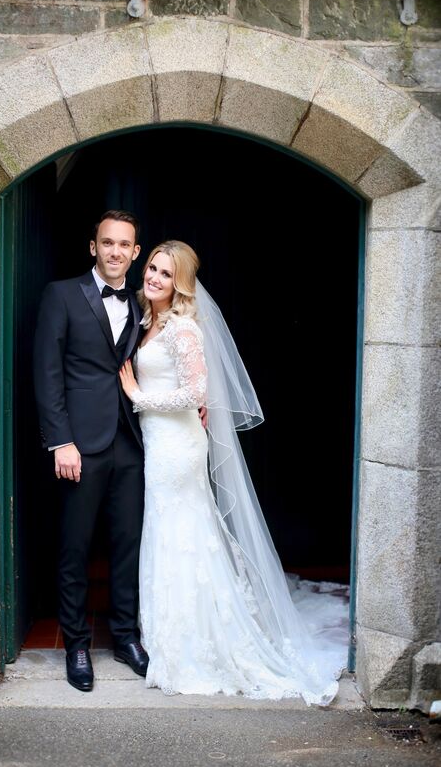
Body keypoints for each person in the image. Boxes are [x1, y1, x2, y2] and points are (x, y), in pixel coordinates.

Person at [119, 240, 348, 705]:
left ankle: (192, 642)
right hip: (160, 443)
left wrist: (138, 397)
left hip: (178, 446)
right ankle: (170, 632)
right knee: (170, 531)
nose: (154, 278)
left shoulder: (183, 328)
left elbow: (195, 390)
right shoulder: (148, 321)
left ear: (180, 282)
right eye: (152, 269)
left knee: (180, 532)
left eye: (165, 273)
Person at [33, 210, 149, 692]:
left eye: (125, 244)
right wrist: (61, 440)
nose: (116, 251)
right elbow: (47, 371)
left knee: (127, 544)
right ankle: (77, 644)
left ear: (136, 252)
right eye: (108, 243)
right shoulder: (61, 294)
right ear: (93, 247)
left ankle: (125, 636)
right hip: (79, 444)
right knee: (75, 547)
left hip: (132, 440)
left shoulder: (147, 301)